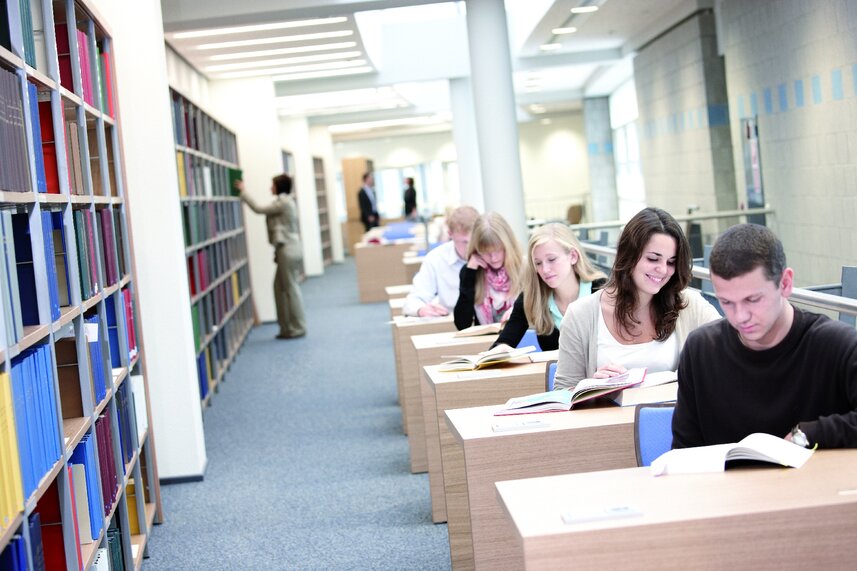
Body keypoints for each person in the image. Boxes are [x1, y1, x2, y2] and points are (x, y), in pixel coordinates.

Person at [672, 224, 857, 449]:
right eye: (726, 302)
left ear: (785, 283)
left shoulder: (837, 345)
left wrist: (809, 434)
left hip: (816, 483)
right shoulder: (700, 350)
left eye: (753, 300)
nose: (740, 317)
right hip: (729, 484)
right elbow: (684, 451)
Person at [554, 207, 721, 389]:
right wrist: (590, 387)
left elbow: (729, 346)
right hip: (609, 417)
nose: (663, 270)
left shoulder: (689, 304)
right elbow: (563, 393)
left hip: (671, 417)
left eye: (671, 262)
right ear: (629, 256)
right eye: (653, 259)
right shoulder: (580, 315)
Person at [488, 223, 607, 352]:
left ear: (573, 256)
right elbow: (501, 344)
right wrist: (502, 349)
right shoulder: (531, 297)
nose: (544, 270)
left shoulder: (602, 289)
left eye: (551, 259)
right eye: (538, 263)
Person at [235, 174, 306, 339]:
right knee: (279, 288)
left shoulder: (284, 203)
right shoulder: (283, 202)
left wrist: (244, 192)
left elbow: (259, 209)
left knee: (290, 288)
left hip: (288, 250)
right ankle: (286, 327)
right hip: (285, 249)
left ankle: (298, 327)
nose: (270, 188)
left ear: (279, 186)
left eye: (272, 185)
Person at [402, 205, 480, 317]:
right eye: (464, 242)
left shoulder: (491, 255)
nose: (470, 247)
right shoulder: (436, 258)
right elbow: (413, 300)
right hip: (452, 324)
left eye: (473, 240)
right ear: (450, 234)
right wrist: (421, 309)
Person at [453, 212, 523, 329]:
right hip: (485, 343)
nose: (493, 258)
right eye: (486, 252)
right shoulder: (471, 272)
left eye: (498, 250)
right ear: (477, 249)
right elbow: (462, 324)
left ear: (508, 245)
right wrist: (470, 273)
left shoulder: (524, 268)